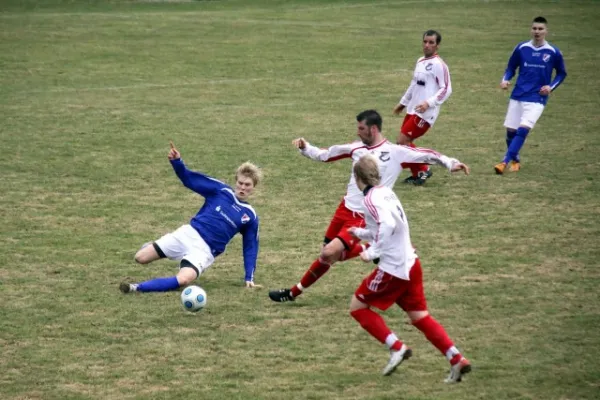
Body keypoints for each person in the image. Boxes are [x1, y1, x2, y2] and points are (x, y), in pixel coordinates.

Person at [268, 109, 469, 303]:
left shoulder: (394, 152)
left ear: (373, 129)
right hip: (343, 210)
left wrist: (451, 163)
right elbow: (326, 154)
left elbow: (427, 154)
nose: (358, 132)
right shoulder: (356, 148)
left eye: (361, 129)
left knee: (329, 253)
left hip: (363, 216)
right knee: (328, 256)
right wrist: (305, 147)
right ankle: (295, 292)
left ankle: (293, 292)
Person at [348, 154, 471, 382]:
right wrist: (361, 233)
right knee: (420, 317)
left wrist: (372, 252)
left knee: (358, 307)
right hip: (411, 263)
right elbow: (389, 225)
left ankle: (396, 348)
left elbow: (388, 224)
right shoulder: (385, 192)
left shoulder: (370, 200)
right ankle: (456, 359)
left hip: (393, 268)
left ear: (357, 177)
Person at [119, 141, 262, 294]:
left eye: (247, 185)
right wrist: (176, 162)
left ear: (254, 187)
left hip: (204, 251)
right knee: (140, 258)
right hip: (188, 234)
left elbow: (250, 246)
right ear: (236, 181)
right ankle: (154, 246)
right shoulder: (220, 190)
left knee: (184, 280)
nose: (242, 188)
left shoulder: (250, 216)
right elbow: (190, 179)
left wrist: (249, 277)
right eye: (240, 183)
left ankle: (135, 288)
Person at [494, 16, 567, 174]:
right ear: (530, 30)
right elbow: (511, 68)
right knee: (510, 133)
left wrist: (551, 87)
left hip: (537, 98)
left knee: (522, 130)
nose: (537, 31)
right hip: (518, 95)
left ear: (546, 31)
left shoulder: (553, 52)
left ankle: (504, 162)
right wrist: (505, 80)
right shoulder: (522, 48)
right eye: (534, 28)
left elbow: (561, 73)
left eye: (540, 29)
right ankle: (516, 160)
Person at [393, 30, 452, 185]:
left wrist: (429, 103)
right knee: (403, 144)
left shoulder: (439, 65)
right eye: (425, 42)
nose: (427, 45)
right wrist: (403, 103)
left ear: (437, 45)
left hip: (425, 113)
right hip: (413, 110)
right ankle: (418, 173)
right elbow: (414, 84)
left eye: (431, 42)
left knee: (402, 142)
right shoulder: (420, 61)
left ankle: (424, 169)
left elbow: (446, 89)